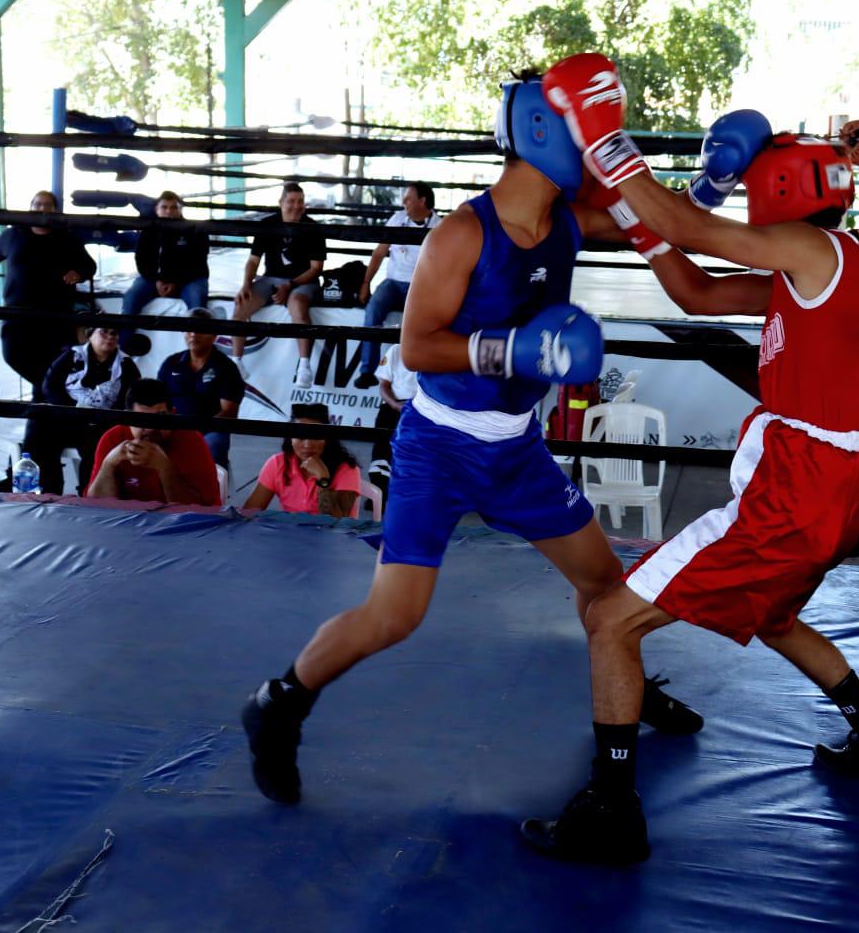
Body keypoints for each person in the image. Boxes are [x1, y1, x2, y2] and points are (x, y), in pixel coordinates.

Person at [240, 74, 701, 808]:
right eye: (585, 132)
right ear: (546, 135)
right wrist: (516, 349)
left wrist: (716, 181)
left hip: (518, 451)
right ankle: (279, 703)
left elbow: (666, 224)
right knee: (395, 616)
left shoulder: (570, 219)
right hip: (440, 448)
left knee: (606, 586)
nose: (595, 149)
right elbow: (419, 347)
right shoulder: (462, 231)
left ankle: (629, 690)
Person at [520, 53, 859, 865]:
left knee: (611, 621)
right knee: (773, 614)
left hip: (796, 494)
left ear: (784, 190)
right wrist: (647, 224)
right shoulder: (827, 267)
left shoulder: (807, 249)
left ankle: (612, 811)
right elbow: (694, 290)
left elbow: (693, 230)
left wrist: (604, 139)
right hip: (827, 491)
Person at [0, 190, 96, 397]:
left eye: (47, 205)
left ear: (55, 210)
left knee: (50, 361)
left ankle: (46, 404)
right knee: (13, 355)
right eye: (37, 204)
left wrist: (78, 273)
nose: (42, 209)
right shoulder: (14, 234)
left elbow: (89, 266)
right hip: (17, 313)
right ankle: (55, 394)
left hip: (54, 315)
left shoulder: (66, 237)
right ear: (30, 207)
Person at [231, 183, 326, 388]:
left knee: (298, 304)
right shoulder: (267, 224)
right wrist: (246, 284)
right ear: (281, 203)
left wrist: (290, 285)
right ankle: (236, 362)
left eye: (300, 201)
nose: (296, 206)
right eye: (291, 201)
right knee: (240, 305)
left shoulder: (313, 227)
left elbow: (316, 268)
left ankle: (304, 366)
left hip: (303, 280)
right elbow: (253, 261)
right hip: (270, 278)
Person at [34, 320, 142, 494]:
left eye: (114, 333)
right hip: (68, 418)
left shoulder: (126, 365)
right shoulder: (71, 356)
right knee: (42, 440)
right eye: (104, 331)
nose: (109, 337)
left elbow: (133, 397)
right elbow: (49, 385)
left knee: (97, 451)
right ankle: (51, 493)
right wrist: (69, 410)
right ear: (89, 334)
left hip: (102, 425)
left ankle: (87, 497)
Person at [354, 182, 442, 389]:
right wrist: (366, 283)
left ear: (423, 201)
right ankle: (367, 370)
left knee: (426, 322)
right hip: (393, 282)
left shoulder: (440, 226)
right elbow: (379, 252)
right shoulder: (397, 218)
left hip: (422, 287)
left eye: (408, 198)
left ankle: (423, 371)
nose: (404, 202)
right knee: (374, 308)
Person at [86, 378, 221, 505]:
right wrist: (108, 465)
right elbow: (95, 507)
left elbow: (204, 510)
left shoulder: (192, 441)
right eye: (141, 420)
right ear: (127, 419)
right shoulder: (112, 439)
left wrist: (165, 468)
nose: (150, 429)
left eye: (159, 419)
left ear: (172, 414)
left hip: (178, 527)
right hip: (126, 524)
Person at [156, 307, 244, 469]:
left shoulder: (226, 367)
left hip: (210, 431)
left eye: (201, 330)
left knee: (215, 443)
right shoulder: (171, 363)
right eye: (189, 330)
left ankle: (214, 487)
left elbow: (229, 412)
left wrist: (196, 432)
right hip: (173, 429)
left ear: (214, 336)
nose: (193, 334)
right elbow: (157, 400)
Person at [121, 191, 210, 346]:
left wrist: (175, 282)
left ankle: (197, 349)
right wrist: (156, 280)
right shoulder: (149, 230)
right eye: (165, 207)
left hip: (189, 279)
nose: (169, 211)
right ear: (157, 209)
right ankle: (124, 345)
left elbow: (198, 262)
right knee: (131, 297)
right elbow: (141, 259)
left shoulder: (194, 229)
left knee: (197, 304)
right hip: (155, 279)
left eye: (174, 207)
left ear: (180, 209)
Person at [243, 403, 362, 518]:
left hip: (329, 537)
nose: (307, 445)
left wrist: (323, 479)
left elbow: (337, 523)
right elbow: (249, 512)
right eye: (300, 437)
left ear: (327, 438)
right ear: (290, 438)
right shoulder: (277, 463)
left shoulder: (347, 469)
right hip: (289, 535)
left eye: (315, 437)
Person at [368, 337, 417, 503]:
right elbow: (383, 385)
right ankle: (378, 492)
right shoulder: (396, 349)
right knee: (382, 449)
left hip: (423, 410)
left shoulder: (438, 350)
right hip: (393, 406)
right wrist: (395, 404)